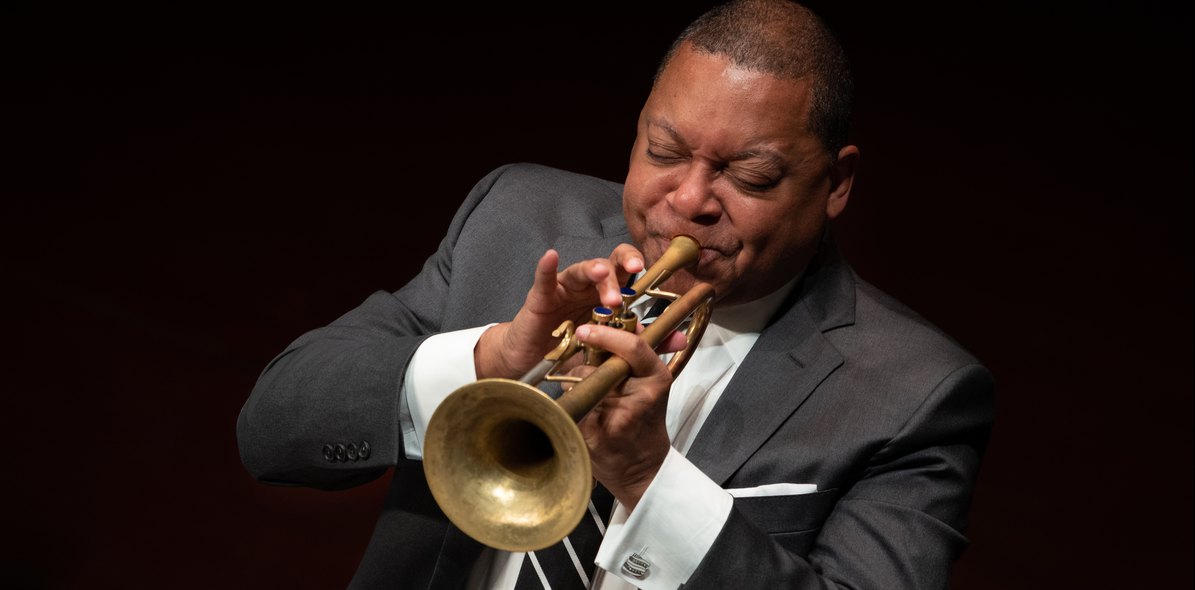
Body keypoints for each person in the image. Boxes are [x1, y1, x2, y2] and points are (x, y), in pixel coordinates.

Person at [237, 1, 994, 588]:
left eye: (750, 178)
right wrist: (491, 359)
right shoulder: (516, 219)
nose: (687, 200)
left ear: (835, 185)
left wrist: (647, 481)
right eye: (662, 151)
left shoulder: (913, 394)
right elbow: (274, 430)